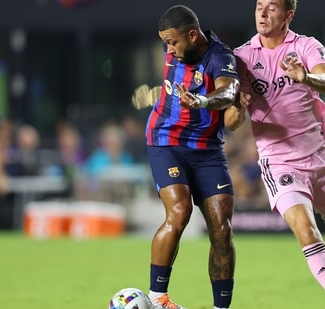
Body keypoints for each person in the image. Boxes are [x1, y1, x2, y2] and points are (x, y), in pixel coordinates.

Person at [233, 0, 325, 308]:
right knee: (308, 232)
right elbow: (230, 121)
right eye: (258, 6)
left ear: (288, 15)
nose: (263, 14)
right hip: (279, 162)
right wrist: (237, 106)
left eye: (272, 8)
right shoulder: (242, 57)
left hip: (321, 155)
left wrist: (306, 77)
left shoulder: (306, 46)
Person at [144, 5, 244, 309]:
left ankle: (221, 307)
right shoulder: (175, 46)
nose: (169, 51)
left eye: (173, 43)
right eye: (166, 43)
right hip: (166, 141)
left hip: (208, 151)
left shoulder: (220, 58)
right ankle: (157, 297)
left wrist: (201, 100)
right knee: (179, 211)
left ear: (192, 34)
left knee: (222, 229)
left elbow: (228, 93)